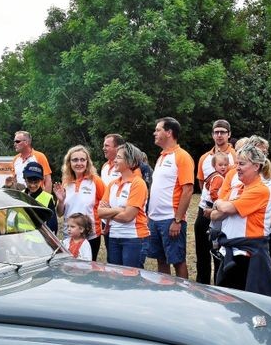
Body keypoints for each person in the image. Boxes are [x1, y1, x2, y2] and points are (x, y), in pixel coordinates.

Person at [209, 143, 271, 297]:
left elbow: (225, 210)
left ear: (256, 166)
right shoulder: (238, 188)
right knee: (227, 299)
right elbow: (214, 215)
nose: (237, 168)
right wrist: (222, 206)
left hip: (248, 256)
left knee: (245, 302)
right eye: (237, 163)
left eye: (242, 164)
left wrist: (219, 204)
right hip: (231, 252)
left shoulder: (260, 190)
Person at [147, 117, 195, 278]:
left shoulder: (182, 156)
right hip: (155, 219)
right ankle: (165, 293)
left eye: (158, 129)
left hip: (170, 219)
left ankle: (183, 294)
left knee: (178, 260)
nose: (155, 133)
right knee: (161, 259)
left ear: (169, 132)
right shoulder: (162, 157)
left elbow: (188, 190)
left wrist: (177, 220)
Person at [195, 119, 237, 283]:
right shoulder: (205, 158)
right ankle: (202, 285)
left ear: (229, 134)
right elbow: (201, 182)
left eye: (223, 132)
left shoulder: (234, 156)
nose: (219, 135)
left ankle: (220, 287)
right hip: (204, 208)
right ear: (212, 135)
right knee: (202, 250)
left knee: (220, 251)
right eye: (216, 132)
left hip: (223, 211)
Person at [97, 142, 149, 268]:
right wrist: (119, 209)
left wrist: (110, 211)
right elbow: (100, 212)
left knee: (131, 278)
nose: (114, 160)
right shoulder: (112, 184)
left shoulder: (138, 183)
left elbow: (128, 217)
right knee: (116, 277)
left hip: (133, 238)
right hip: (114, 236)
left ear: (130, 161)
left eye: (119, 157)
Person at [56, 145, 107, 260]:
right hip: (69, 235)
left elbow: (107, 204)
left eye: (82, 160)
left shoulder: (96, 181)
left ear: (87, 162)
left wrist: (107, 225)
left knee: (88, 270)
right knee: (69, 268)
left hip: (91, 235)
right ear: (69, 163)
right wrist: (61, 201)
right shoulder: (66, 182)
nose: (79, 163)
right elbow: (59, 213)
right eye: (75, 160)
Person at [21, 161, 58, 232]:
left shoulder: (47, 198)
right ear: (25, 179)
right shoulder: (20, 195)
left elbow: (53, 226)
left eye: (36, 182)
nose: (32, 185)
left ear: (41, 180)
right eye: (29, 181)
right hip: (21, 239)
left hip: (38, 241)